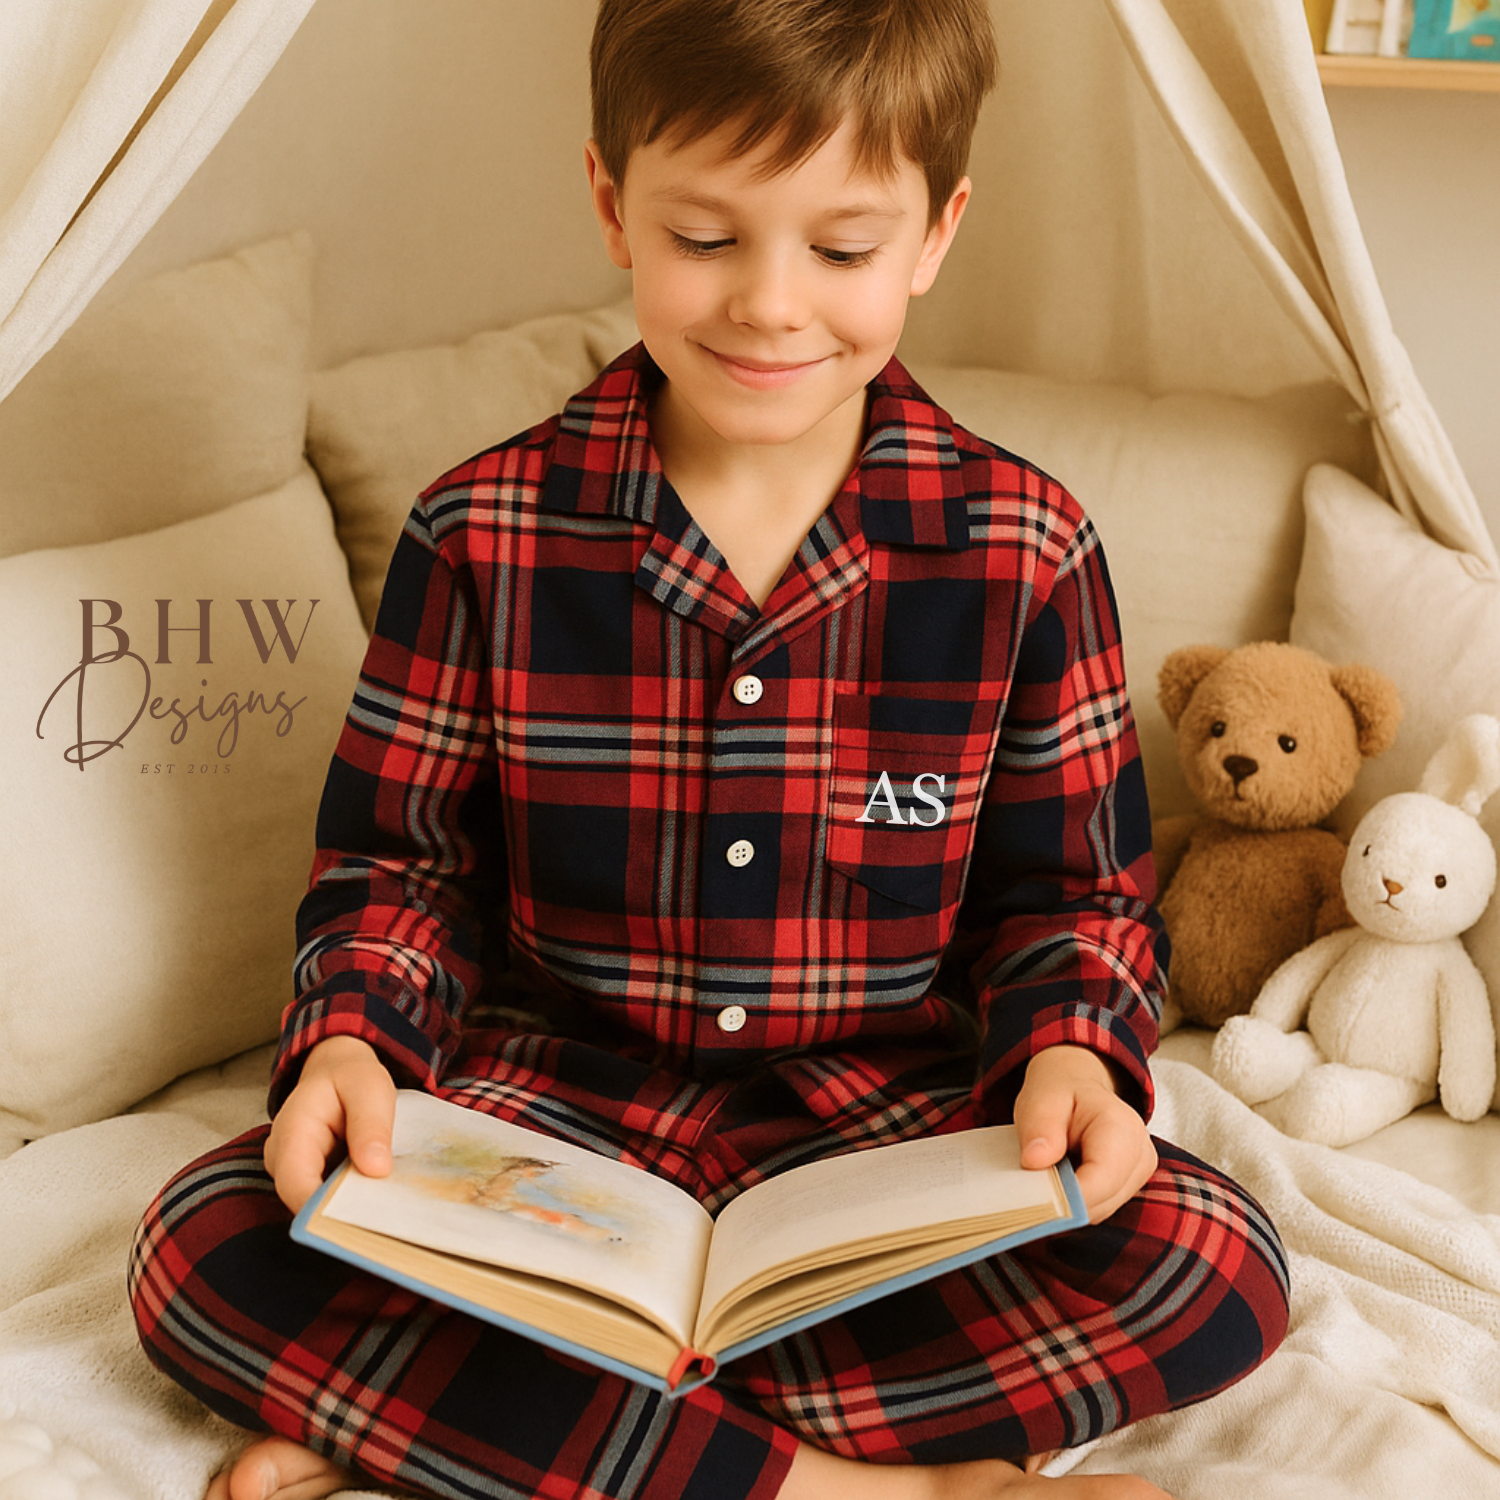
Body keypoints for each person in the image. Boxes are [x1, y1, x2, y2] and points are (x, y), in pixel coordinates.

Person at [130, 3, 1290, 1498]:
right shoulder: (481, 530)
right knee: (198, 1247)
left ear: (936, 235)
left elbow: (1071, 902)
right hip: (545, 1121)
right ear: (614, 203)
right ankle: (872, 1486)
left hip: (882, 1137)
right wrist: (353, 1037)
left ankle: (489, 1414)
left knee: (1219, 1258)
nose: (770, 305)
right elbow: (396, 869)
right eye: (707, 237)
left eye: (843, 250)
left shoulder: (1027, 547)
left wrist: (1073, 1045)